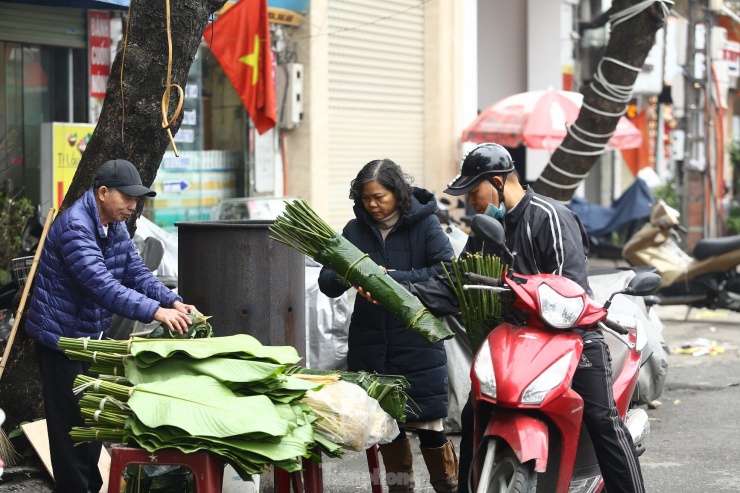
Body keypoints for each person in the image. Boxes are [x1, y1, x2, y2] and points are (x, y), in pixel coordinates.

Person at [419, 143, 645, 493]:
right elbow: (456, 285)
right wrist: (395, 288)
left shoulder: (549, 216)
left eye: (473, 192)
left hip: (571, 335)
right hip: (515, 341)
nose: (470, 203)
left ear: (496, 181)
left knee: (602, 419)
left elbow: (567, 288)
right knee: (472, 414)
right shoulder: (485, 231)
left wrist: (514, 287)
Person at [25, 158, 196, 493]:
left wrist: (170, 300)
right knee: (70, 427)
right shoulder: (76, 227)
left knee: (91, 418)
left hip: (89, 336)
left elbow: (135, 272)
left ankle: (92, 486)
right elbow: (102, 285)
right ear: (103, 193)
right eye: (127, 198)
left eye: (137, 199)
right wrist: (155, 312)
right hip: (62, 339)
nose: (133, 206)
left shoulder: (113, 224)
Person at [318, 159, 458, 493]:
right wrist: (352, 273)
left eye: (379, 196)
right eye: (366, 198)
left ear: (397, 192)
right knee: (386, 428)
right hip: (370, 344)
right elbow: (327, 281)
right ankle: (400, 488)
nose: (373, 205)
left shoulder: (426, 227)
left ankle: (448, 485)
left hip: (417, 343)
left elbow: (447, 276)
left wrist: (394, 281)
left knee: (429, 427)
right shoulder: (354, 230)